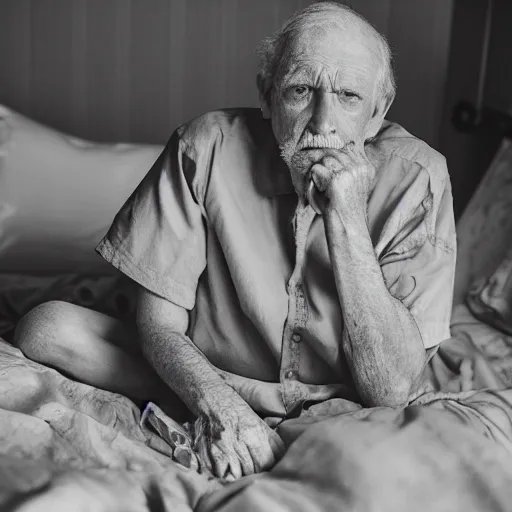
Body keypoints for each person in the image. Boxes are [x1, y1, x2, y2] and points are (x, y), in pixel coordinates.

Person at [14, 2, 456, 480]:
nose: (322, 123)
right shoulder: (203, 145)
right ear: (267, 95)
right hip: (210, 376)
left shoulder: (420, 178)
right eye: (301, 90)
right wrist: (222, 407)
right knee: (45, 327)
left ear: (376, 113)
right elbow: (159, 325)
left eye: (349, 96)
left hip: (343, 399)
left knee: (386, 461)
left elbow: (390, 390)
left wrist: (346, 217)